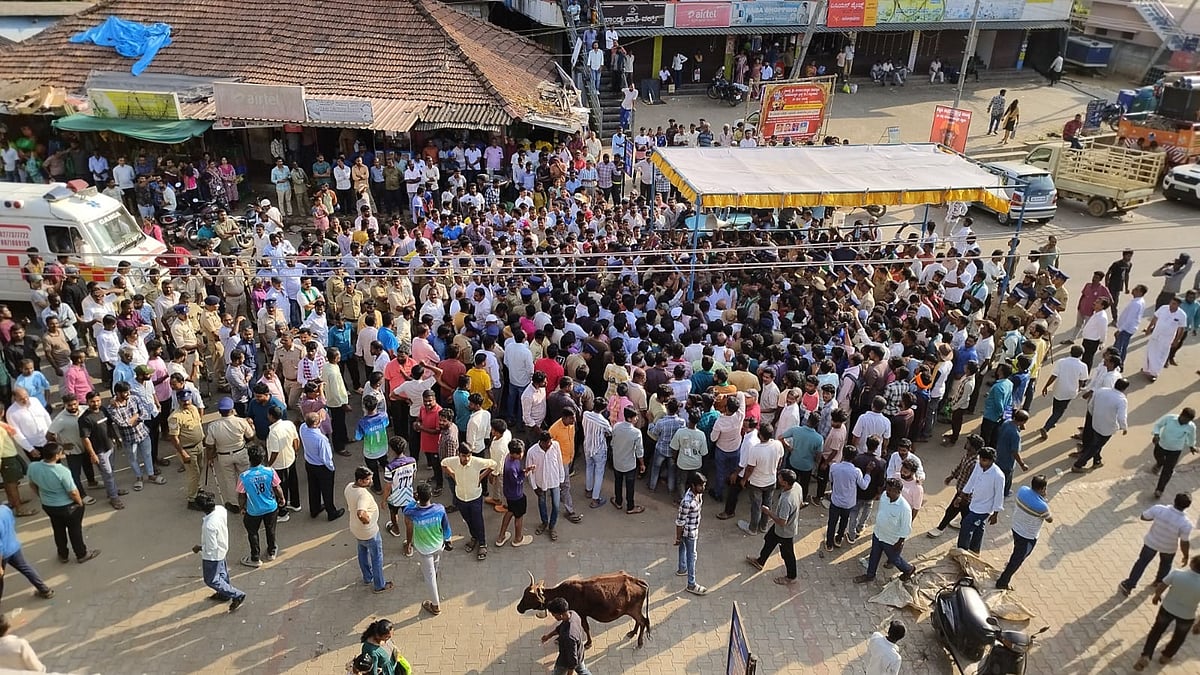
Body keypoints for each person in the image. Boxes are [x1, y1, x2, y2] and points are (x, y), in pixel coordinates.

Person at [26, 442, 100, 564]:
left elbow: (32, 485)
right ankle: (81, 554)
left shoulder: (33, 467)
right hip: (67, 506)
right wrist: (80, 502)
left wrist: (41, 496)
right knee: (74, 530)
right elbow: (73, 492)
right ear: (56, 456)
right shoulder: (61, 471)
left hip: (48, 505)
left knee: (58, 529)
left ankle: (63, 554)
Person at [1133, 554, 1200, 671]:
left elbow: (1162, 586)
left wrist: (1156, 596)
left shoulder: (1178, 573)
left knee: (1156, 631)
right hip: (1186, 615)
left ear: (1192, 564)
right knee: (1178, 637)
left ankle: (1146, 655)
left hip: (1167, 608)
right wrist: (1199, 624)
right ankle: (1166, 656)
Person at [1120, 492, 1194, 596]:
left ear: (1174, 500)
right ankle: (1159, 582)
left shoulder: (1159, 509)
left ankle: (1129, 585)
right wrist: (1186, 555)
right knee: (1165, 565)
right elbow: (1184, 541)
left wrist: (1156, 518)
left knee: (1141, 563)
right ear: (1187, 506)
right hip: (1169, 547)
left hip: (1151, 542)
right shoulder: (1186, 523)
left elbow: (1143, 517)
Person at [190, 489, 246, 612]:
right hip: (222, 546)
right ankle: (224, 594)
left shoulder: (209, 525)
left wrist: (200, 548)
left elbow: (211, 547)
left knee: (211, 579)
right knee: (222, 573)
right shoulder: (220, 509)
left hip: (212, 556)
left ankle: (236, 594)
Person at [996, 474, 1052, 590]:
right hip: (1028, 536)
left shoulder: (1022, 490)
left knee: (1017, 551)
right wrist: (1043, 500)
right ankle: (1003, 582)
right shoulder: (1042, 506)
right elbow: (1049, 519)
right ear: (1042, 489)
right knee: (1018, 559)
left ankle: (1010, 565)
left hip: (1016, 528)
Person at [854, 478, 915, 584]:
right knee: (874, 555)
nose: (888, 492)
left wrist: (900, 542)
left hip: (891, 540)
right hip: (878, 534)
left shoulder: (904, 509)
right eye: (887, 488)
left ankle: (908, 569)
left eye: (891, 490)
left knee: (894, 559)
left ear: (898, 492)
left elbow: (906, 528)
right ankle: (870, 575)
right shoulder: (884, 497)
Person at [745, 469, 801, 586]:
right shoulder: (797, 487)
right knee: (769, 540)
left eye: (780, 478)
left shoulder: (787, 500)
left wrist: (767, 512)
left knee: (787, 554)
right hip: (779, 529)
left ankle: (791, 577)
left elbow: (782, 522)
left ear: (785, 483)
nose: (777, 479)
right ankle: (760, 561)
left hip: (785, 532)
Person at [441, 443, 496, 560]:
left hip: (475, 497)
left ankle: (482, 543)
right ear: (458, 454)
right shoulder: (453, 461)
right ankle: (474, 537)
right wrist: (452, 474)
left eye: (468, 456)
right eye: (463, 456)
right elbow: (443, 463)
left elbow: (493, 464)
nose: (466, 459)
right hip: (461, 497)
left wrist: (481, 477)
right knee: (468, 520)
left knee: (478, 520)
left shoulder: (477, 462)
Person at [405, 481, 452, 616]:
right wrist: (448, 539)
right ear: (431, 495)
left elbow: (406, 510)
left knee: (430, 578)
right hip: (439, 544)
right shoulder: (439, 509)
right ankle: (434, 571)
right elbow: (446, 526)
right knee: (435, 564)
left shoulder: (414, 512)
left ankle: (435, 605)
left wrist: (414, 501)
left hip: (424, 549)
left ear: (417, 496)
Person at [345, 466, 393, 593]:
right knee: (377, 557)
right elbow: (361, 513)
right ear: (360, 481)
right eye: (368, 480)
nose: (371, 482)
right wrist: (367, 521)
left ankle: (367, 577)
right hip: (369, 532)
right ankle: (379, 585)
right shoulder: (363, 495)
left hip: (355, 529)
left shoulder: (349, 487)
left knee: (362, 552)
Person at [236, 445, 285, 568]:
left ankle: (255, 558)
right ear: (263, 457)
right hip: (270, 507)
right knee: (270, 529)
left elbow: (241, 495)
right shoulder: (270, 471)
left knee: (252, 533)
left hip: (253, 510)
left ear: (249, 458)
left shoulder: (244, 476)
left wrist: (241, 507)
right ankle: (271, 551)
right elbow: (277, 487)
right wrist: (282, 498)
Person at [0, 502, 54, 603]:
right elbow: (12, 523)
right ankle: (45, 590)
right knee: (26, 568)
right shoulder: (5, 509)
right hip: (14, 546)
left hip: (3, 554)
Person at [956, 447, 1006, 554]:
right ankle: (975, 550)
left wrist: (995, 514)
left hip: (984, 509)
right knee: (979, 527)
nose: (981, 462)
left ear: (991, 461)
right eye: (980, 459)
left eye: (984, 460)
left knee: (966, 525)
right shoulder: (979, 466)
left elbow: (999, 495)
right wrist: (961, 496)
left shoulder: (998, 476)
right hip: (974, 503)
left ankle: (961, 552)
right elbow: (972, 480)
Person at [495, 439, 534, 549]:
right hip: (516, 495)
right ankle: (518, 538)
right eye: (521, 453)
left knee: (510, 511)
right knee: (519, 516)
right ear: (515, 453)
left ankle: (501, 536)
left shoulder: (509, 457)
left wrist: (525, 470)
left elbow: (518, 472)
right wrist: (525, 474)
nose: (523, 454)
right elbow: (517, 480)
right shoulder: (511, 467)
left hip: (509, 493)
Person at [1150, 408, 1198, 498]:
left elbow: (1191, 437)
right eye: (1185, 419)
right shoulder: (1169, 418)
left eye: (1188, 421)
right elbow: (1158, 425)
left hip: (1175, 450)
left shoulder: (1191, 427)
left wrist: (1192, 446)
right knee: (1157, 456)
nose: (1186, 422)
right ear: (1181, 415)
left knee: (1168, 470)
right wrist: (1156, 434)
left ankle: (1159, 489)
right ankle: (1159, 464)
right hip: (1161, 445)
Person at [674, 471, 708, 596]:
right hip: (689, 533)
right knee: (692, 557)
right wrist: (678, 538)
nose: (703, 488)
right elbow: (680, 522)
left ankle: (682, 568)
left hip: (691, 529)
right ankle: (691, 584)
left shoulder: (697, 495)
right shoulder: (687, 502)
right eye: (700, 485)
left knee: (683, 549)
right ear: (693, 486)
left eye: (703, 485)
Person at [541, 597, 591, 675]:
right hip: (580, 653)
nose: (553, 616)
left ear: (560, 615)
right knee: (582, 670)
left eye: (554, 615)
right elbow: (560, 628)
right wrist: (548, 636)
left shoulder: (569, 636)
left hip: (565, 661)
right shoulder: (573, 614)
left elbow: (572, 661)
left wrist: (569, 674)